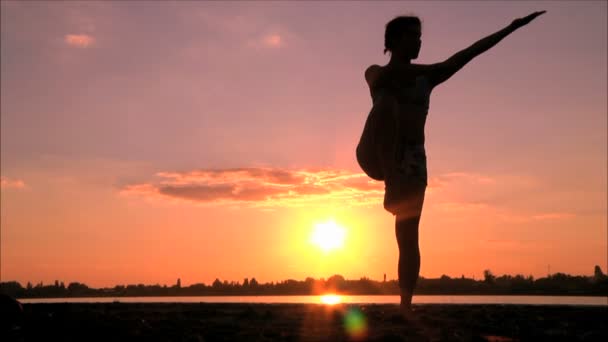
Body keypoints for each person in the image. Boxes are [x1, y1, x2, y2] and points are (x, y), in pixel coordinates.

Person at [356, 10, 546, 320]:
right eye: (413, 36)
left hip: (413, 162)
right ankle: (391, 183)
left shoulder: (427, 77)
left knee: (407, 236)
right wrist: (412, 71)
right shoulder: (376, 73)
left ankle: (405, 303)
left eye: (420, 36)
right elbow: (379, 77)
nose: (419, 42)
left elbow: (468, 54)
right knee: (387, 104)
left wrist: (510, 28)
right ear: (394, 41)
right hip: (375, 155)